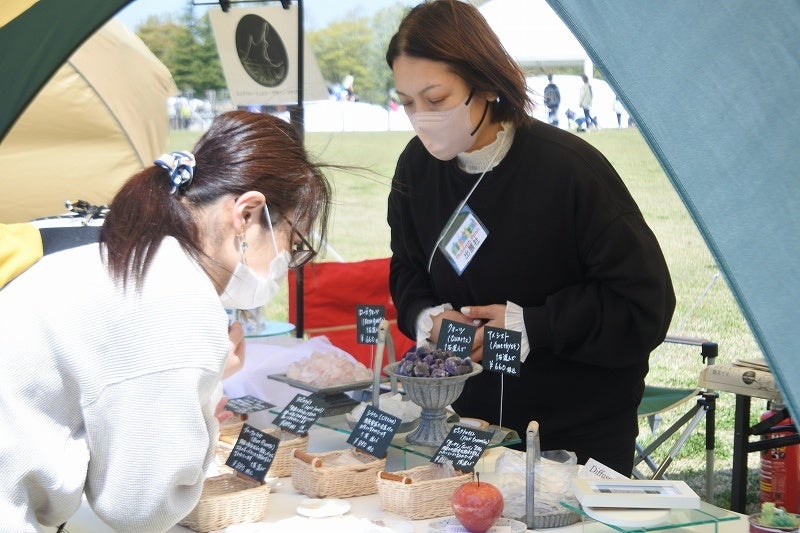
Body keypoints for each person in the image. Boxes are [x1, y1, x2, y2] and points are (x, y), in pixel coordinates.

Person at [0, 110, 332, 531]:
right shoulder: (176, 293)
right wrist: (208, 389)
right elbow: (142, 505)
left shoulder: (125, 236)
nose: (288, 261)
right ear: (247, 215)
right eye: (293, 241)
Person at [385, 0, 675, 476]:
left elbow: (644, 304)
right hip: (467, 429)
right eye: (407, 102)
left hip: (574, 438)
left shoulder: (569, 171)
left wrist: (534, 326)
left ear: (483, 83)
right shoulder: (416, 168)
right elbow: (407, 268)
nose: (421, 118)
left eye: (435, 99)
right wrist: (427, 317)